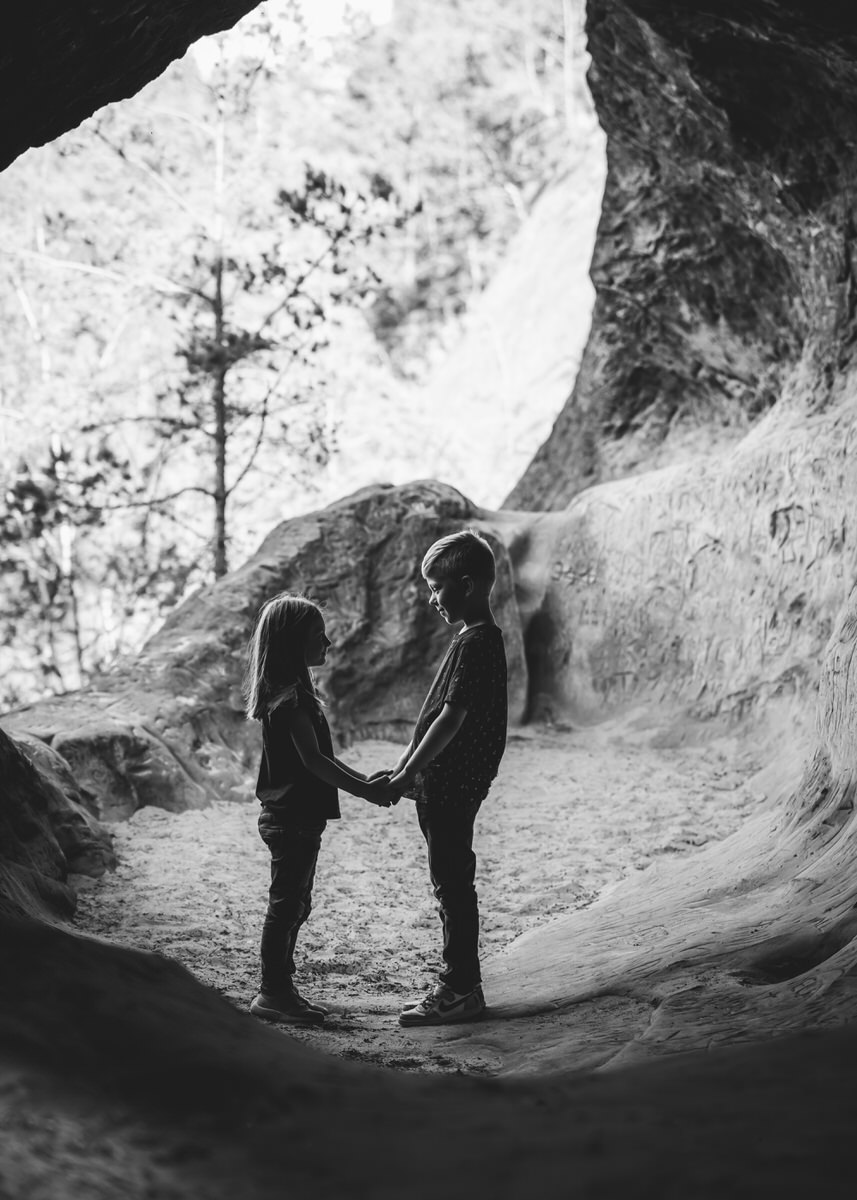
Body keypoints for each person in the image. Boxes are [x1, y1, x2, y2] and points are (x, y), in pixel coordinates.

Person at [243, 592, 393, 1026]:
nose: (327, 642)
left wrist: (366, 781)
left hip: (298, 820)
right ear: (293, 643)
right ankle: (272, 992)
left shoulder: (294, 697)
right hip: (291, 821)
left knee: (296, 904)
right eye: (318, 635)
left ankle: (282, 989)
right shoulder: (289, 703)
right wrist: (365, 791)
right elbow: (314, 762)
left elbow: (321, 761)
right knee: (287, 905)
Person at [387, 528, 508, 1026]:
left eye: (438, 587)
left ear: (469, 584)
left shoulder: (477, 643)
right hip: (443, 783)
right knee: (450, 882)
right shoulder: (471, 639)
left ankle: (460, 989)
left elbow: (451, 718)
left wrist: (408, 770)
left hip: (452, 785)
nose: (433, 598)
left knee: (452, 886)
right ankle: (461, 985)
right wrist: (406, 770)